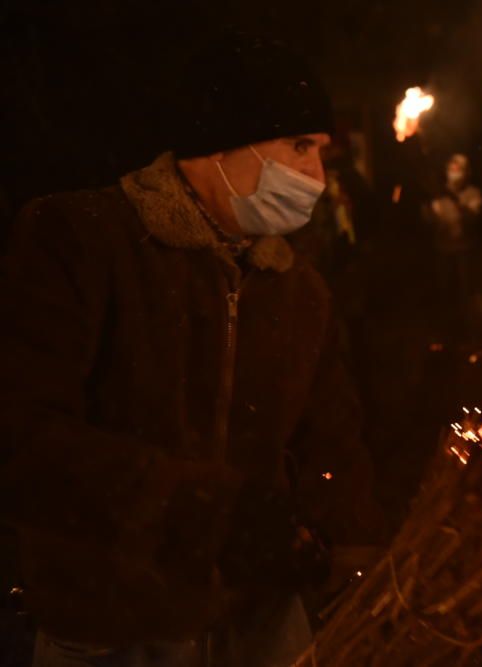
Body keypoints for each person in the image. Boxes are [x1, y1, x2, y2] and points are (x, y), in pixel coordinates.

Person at [0, 35, 381, 667]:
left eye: (320, 152)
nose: (316, 176)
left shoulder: (297, 287)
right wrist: (212, 515)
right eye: (300, 146)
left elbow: (331, 437)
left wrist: (354, 551)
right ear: (224, 143)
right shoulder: (84, 243)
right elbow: (23, 436)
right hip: (114, 629)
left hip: (258, 625)